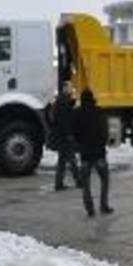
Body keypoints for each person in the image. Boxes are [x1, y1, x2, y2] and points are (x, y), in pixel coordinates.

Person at [73, 88, 113, 217]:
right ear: (92, 98)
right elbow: (104, 131)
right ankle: (103, 205)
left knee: (86, 183)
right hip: (99, 153)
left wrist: (79, 145)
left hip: (85, 154)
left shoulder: (77, 113)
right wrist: (103, 143)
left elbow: (74, 133)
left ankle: (90, 209)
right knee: (105, 180)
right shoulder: (99, 112)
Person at [51, 82, 80, 191]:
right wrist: (69, 135)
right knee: (72, 160)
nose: (72, 89)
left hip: (61, 136)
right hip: (64, 136)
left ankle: (59, 184)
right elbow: (65, 120)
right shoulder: (63, 101)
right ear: (64, 88)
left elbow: (67, 109)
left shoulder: (62, 100)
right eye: (70, 87)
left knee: (62, 161)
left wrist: (73, 103)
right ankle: (79, 181)